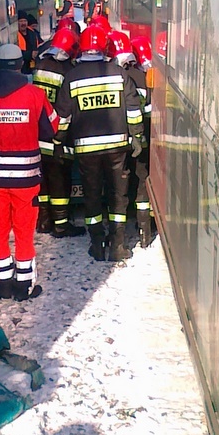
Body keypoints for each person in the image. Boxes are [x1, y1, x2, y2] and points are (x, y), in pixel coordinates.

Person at [0, 44, 59, 300]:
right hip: (26, 178)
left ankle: (2, 283)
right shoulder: (35, 95)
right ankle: (24, 284)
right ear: (19, 65)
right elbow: (51, 128)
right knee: (24, 229)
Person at [53, 25, 143, 261]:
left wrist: (58, 142)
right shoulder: (119, 73)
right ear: (105, 47)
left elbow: (63, 117)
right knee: (117, 195)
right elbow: (133, 109)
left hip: (86, 150)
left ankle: (96, 244)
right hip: (117, 148)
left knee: (92, 195)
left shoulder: (72, 78)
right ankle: (118, 245)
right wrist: (137, 137)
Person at [32, 28, 85, 238]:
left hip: (38, 134)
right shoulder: (67, 72)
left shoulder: (40, 67)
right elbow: (66, 109)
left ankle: (44, 220)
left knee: (43, 180)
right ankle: (61, 225)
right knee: (60, 181)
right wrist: (61, 138)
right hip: (57, 137)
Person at [130, 35, 155, 247]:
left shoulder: (125, 76)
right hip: (147, 142)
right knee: (143, 186)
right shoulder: (150, 78)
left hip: (127, 142)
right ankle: (145, 231)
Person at [17, 10, 40, 74]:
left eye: (25, 21)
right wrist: (30, 54)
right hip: (22, 69)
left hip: (33, 67)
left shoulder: (32, 33)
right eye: (21, 21)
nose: (23, 23)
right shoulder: (15, 35)